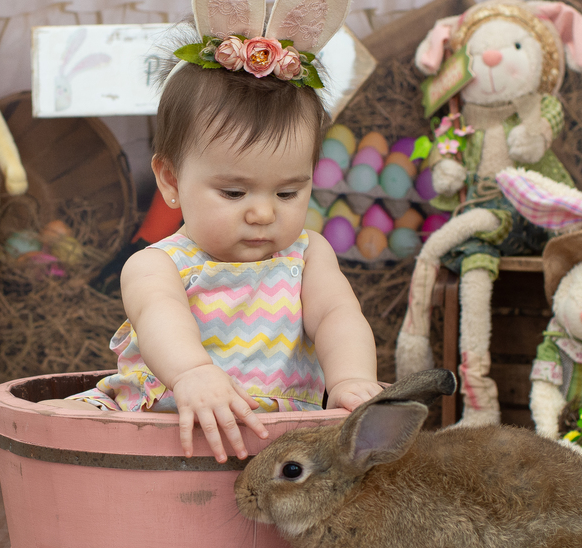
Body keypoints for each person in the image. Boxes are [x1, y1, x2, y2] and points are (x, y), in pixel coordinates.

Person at [44, 56, 381, 463]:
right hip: (159, 415)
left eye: (287, 193)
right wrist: (192, 373)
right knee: (55, 419)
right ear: (172, 180)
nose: (264, 214)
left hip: (277, 429)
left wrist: (351, 378)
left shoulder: (309, 255)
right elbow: (160, 316)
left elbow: (337, 316)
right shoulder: (159, 263)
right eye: (235, 193)